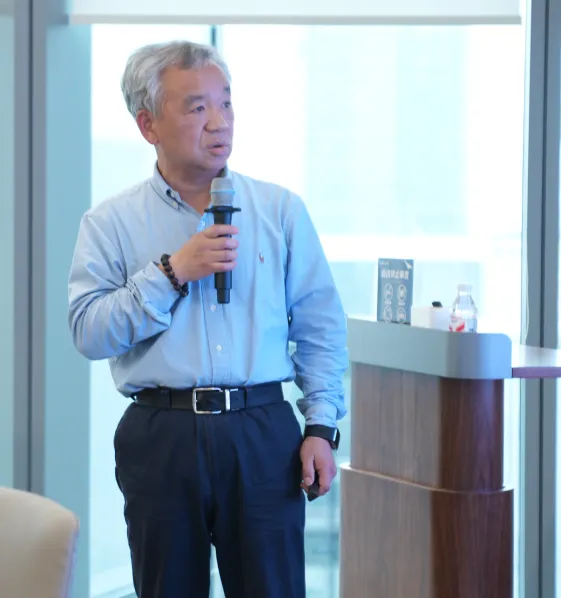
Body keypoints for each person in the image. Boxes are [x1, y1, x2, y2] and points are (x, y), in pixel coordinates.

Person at [68, 40, 348, 598]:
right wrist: (173, 272)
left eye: (226, 103)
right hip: (161, 434)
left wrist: (320, 426)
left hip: (262, 430)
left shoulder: (280, 211)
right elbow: (89, 331)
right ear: (148, 124)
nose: (219, 122)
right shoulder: (109, 222)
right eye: (197, 107)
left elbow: (320, 329)